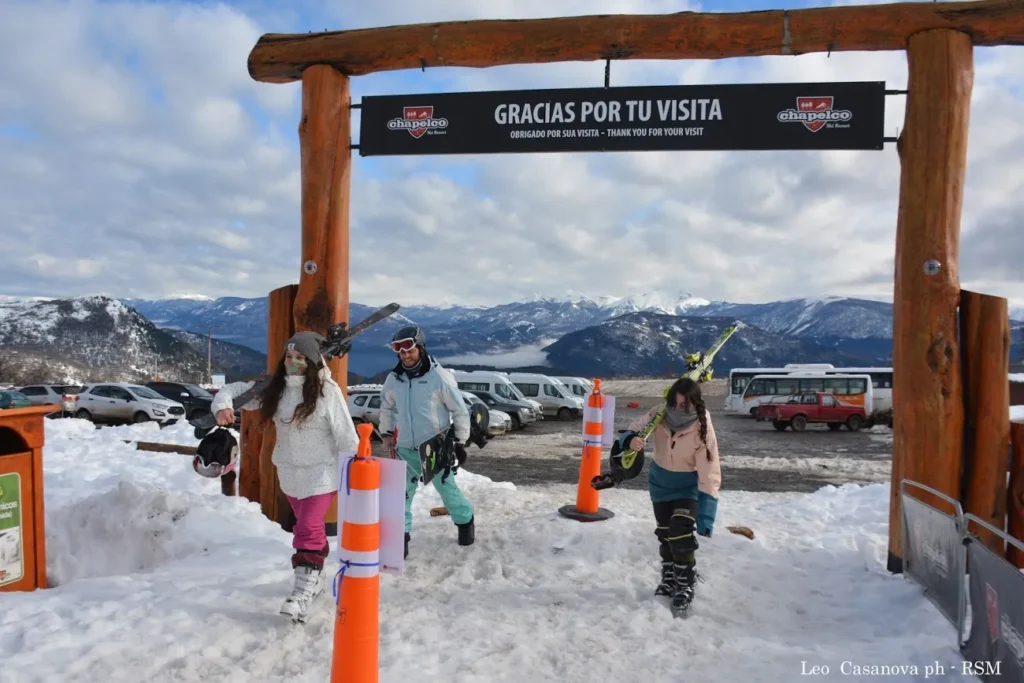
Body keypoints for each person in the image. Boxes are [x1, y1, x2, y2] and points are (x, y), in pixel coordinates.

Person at [210, 330, 358, 622]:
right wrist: (222, 406)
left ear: (312, 361)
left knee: (307, 527)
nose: (292, 362)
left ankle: (301, 592)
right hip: (289, 473)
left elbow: (347, 437)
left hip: (322, 473)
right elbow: (234, 390)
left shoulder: (327, 392)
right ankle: (315, 578)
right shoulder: (275, 389)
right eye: (288, 356)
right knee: (309, 528)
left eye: (300, 357)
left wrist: (352, 474)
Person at [620, 376, 721, 614]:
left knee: (680, 532)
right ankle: (669, 578)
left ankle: (685, 583)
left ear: (694, 403)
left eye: (683, 405)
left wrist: (707, 514)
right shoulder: (659, 413)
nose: (676, 409)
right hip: (661, 484)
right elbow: (633, 429)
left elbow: (710, 468)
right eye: (674, 403)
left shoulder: (702, 425)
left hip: (688, 487)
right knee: (665, 534)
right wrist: (631, 440)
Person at [378, 325, 474, 559]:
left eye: (409, 350)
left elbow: (460, 410)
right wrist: (387, 433)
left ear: (420, 348)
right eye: (401, 352)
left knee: (447, 491)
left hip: (434, 447)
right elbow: (387, 407)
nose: (405, 356)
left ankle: (465, 521)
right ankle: (400, 540)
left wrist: (460, 441)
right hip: (404, 447)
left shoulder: (438, 377)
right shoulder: (395, 378)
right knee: (400, 495)